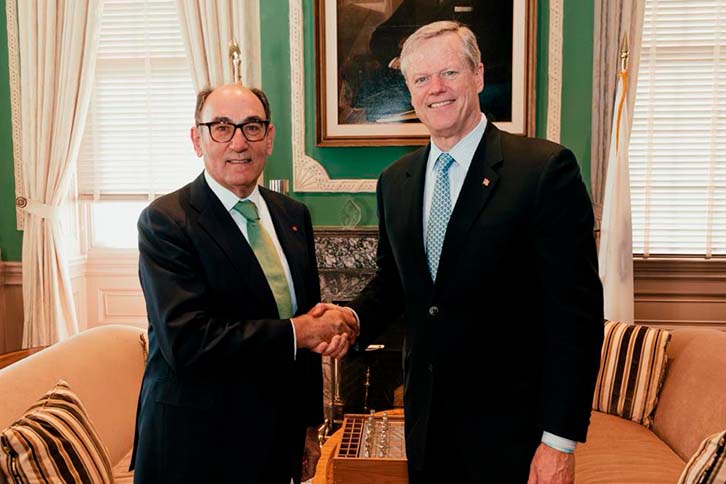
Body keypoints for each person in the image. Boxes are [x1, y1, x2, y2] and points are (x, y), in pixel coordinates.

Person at [328, 21, 604, 483]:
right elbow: (395, 283)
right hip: (426, 423)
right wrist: (352, 320)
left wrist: (558, 441)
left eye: (450, 73)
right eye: (421, 79)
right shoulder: (396, 181)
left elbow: (574, 314)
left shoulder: (542, 170)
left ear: (477, 75)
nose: (436, 89)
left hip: (513, 432)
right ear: (410, 92)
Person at [129, 83, 358, 484]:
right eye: (221, 127)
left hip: (273, 439)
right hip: (195, 446)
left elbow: (304, 333)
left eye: (252, 127)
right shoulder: (166, 221)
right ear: (197, 139)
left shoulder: (293, 215)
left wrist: (307, 426)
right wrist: (299, 331)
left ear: (269, 139)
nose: (238, 142)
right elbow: (186, 341)